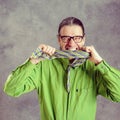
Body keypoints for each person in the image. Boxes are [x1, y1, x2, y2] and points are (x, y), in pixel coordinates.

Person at [4, 17, 120, 120]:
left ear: (84, 39)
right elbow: (11, 89)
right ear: (59, 39)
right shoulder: (43, 66)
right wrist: (33, 60)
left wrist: (100, 63)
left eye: (77, 38)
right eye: (66, 38)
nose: (71, 43)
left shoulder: (94, 69)